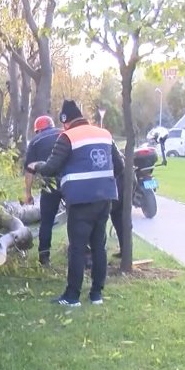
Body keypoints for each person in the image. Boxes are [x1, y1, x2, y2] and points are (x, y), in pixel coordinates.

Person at [26, 100, 124, 307]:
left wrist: (37, 165)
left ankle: (72, 296)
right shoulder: (104, 134)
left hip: (80, 201)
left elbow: (52, 167)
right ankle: (97, 294)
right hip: (104, 198)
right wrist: (102, 180)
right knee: (99, 246)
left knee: (77, 248)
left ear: (65, 121)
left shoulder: (68, 136)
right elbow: (120, 165)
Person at [23, 115, 61, 266]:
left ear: (38, 130)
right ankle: (83, 252)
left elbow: (29, 170)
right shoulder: (64, 133)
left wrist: (28, 194)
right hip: (69, 182)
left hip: (50, 185)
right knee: (76, 218)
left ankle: (44, 257)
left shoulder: (35, 141)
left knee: (47, 221)